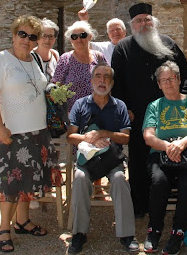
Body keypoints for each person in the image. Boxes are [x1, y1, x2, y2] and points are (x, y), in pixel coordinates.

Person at [0, 15, 62, 253]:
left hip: (37, 131)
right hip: (13, 133)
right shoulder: (1, 60)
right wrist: (0, 128)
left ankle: (22, 221)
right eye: (23, 34)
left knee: (28, 180)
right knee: (10, 183)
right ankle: (3, 229)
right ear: (14, 34)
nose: (27, 40)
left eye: (32, 36)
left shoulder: (34, 60)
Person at [111, 2, 187, 218]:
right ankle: (139, 205)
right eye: (139, 21)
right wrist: (125, 109)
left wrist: (181, 99)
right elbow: (116, 82)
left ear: (153, 22)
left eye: (147, 19)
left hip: (168, 113)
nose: (143, 23)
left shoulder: (167, 43)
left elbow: (184, 71)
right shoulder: (123, 47)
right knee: (138, 160)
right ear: (132, 25)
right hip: (137, 114)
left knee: (170, 155)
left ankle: (168, 201)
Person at [66, 63, 139, 254]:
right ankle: (78, 234)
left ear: (112, 83)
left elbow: (125, 138)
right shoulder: (80, 104)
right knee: (79, 178)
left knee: (120, 179)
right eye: (98, 76)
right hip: (87, 159)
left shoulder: (119, 106)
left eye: (107, 77)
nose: (102, 80)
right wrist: (89, 137)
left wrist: (104, 133)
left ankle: (127, 235)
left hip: (112, 159)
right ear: (91, 81)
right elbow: (70, 136)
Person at [142, 61, 187, 255]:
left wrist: (181, 144)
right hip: (160, 154)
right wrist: (168, 147)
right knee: (159, 181)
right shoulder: (154, 106)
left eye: (171, 78)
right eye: (163, 80)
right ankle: (154, 230)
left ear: (179, 80)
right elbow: (148, 137)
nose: (168, 83)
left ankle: (178, 232)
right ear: (159, 84)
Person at [51, 21, 107, 111]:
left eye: (83, 35)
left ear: (90, 37)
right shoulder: (65, 59)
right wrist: (65, 112)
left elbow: (108, 80)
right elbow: (56, 87)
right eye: (74, 36)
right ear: (70, 40)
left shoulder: (98, 57)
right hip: (74, 113)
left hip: (98, 111)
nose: (79, 39)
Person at [31, 18, 60, 82]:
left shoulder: (55, 55)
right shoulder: (29, 57)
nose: (47, 40)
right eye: (44, 36)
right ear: (37, 38)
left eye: (51, 36)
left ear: (55, 39)